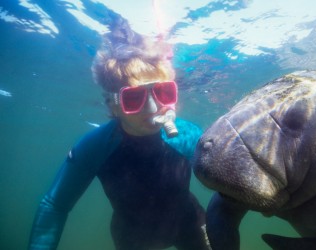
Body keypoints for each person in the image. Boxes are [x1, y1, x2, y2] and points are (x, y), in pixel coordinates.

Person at [28, 15, 210, 250]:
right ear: (112, 105)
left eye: (163, 92)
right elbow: (54, 206)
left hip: (190, 225)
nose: (153, 108)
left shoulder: (187, 135)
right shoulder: (94, 146)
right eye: (133, 98)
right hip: (134, 238)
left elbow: (226, 181)